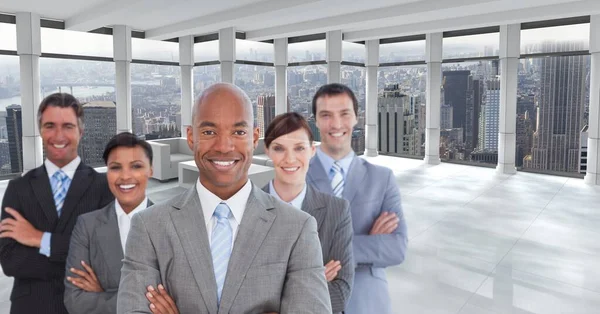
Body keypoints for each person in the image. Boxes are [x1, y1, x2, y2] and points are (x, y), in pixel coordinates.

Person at [116, 83, 332, 314]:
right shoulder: (148, 227)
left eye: (238, 132)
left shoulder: (298, 228)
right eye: (209, 132)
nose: (224, 146)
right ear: (191, 137)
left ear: (254, 138)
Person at [0, 93, 114, 314]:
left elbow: (103, 257)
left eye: (68, 126)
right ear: (41, 131)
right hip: (32, 307)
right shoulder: (18, 189)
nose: (58, 135)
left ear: (80, 132)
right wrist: (75, 259)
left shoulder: (104, 187)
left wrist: (39, 239)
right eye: (50, 125)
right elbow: (10, 261)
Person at [307, 83, 408, 314]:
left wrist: (328, 250)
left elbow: (397, 248)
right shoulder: (296, 179)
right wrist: (370, 242)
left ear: (356, 118)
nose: (336, 124)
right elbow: (288, 250)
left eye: (344, 114)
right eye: (326, 115)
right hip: (313, 301)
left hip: (368, 302)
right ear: (316, 120)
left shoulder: (382, 179)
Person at [260, 112, 354, 313]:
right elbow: (236, 294)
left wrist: (274, 287)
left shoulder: (337, 211)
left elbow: (340, 295)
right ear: (267, 151)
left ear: (312, 150)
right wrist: (312, 279)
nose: (290, 158)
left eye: (299, 148)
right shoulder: (245, 208)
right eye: (279, 148)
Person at [63, 132, 155, 314]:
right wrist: (144, 301)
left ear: (150, 170)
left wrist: (103, 294)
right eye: (115, 167)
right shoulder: (86, 226)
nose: (125, 177)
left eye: (136, 166)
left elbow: (180, 298)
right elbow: (75, 301)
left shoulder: (171, 224)